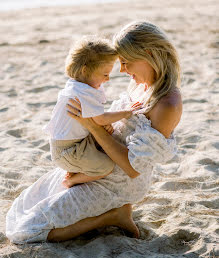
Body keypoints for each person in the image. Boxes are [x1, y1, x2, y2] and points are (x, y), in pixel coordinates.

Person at [6, 21, 182, 244]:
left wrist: (92, 126)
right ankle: (108, 208)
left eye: (126, 63)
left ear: (147, 54)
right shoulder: (141, 84)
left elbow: (132, 167)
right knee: (30, 203)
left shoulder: (168, 104)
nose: (122, 70)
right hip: (96, 160)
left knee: (26, 232)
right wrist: (102, 127)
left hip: (119, 180)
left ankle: (113, 215)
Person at [43, 36, 138, 188]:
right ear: (85, 70)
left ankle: (76, 169)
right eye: (105, 74)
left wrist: (102, 123)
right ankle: (71, 180)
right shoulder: (82, 92)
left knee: (108, 137)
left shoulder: (79, 85)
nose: (107, 79)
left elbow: (93, 118)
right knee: (105, 168)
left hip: (76, 142)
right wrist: (126, 113)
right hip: (68, 150)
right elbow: (100, 119)